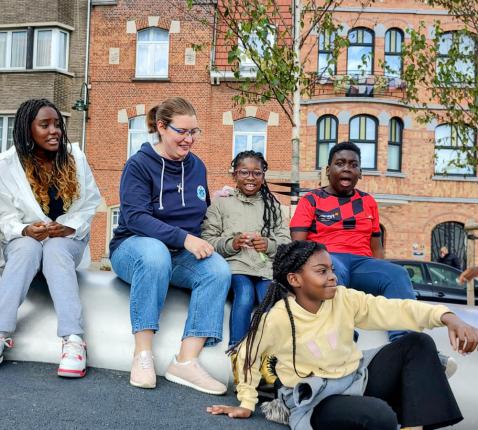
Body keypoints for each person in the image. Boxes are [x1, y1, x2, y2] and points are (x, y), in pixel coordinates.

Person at [207, 241, 478, 429]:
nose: (332, 277)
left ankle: (413, 426)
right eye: (321, 271)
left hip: (356, 377)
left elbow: (395, 309)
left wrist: (447, 317)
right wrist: (246, 402)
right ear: (295, 280)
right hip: (317, 399)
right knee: (381, 416)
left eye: (332, 270)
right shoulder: (278, 317)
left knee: (417, 343)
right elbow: (246, 355)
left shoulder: (343, 298)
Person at [109, 97, 231, 394]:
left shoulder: (197, 166)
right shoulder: (138, 165)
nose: (189, 139)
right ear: (161, 127)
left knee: (217, 269)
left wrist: (217, 201)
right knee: (154, 253)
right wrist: (185, 239)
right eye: (182, 132)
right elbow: (136, 218)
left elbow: (196, 209)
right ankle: (142, 353)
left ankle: (186, 362)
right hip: (134, 248)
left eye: (194, 132)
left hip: (177, 254)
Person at [0, 99, 101, 377]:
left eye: (57, 124)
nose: (54, 130)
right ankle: (0, 332)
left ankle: (73, 341)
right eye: (44, 125)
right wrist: (24, 230)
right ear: (26, 130)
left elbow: (91, 202)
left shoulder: (74, 157)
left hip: (67, 240)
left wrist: (68, 227)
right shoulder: (7, 164)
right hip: (25, 240)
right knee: (26, 249)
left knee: (55, 248)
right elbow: (3, 215)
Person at [289, 142, 417, 342]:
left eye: (353, 164)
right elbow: (297, 247)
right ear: (328, 169)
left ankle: (406, 342)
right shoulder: (311, 200)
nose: (347, 168)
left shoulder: (368, 202)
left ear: (360, 172)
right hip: (326, 260)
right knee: (333, 269)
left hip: (361, 264)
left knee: (397, 274)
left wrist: (381, 273)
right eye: (340, 163)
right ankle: (342, 336)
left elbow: (377, 248)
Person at [201, 150, 290, 347]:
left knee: (270, 298)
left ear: (263, 176)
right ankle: (237, 348)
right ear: (235, 175)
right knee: (245, 294)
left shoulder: (272, 205)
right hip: (235, 268)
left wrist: (269, 244)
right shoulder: (221, 203)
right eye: (244, 172)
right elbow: (207, 238)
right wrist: (231, 244)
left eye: (257, 173)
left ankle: (269, 350)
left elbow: (285, 240)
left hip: (264, 269)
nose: (251, 177)